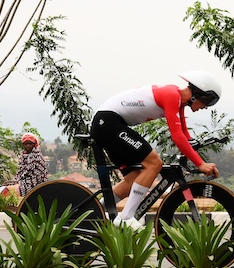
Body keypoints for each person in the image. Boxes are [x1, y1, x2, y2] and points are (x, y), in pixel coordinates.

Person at [89, 70, 221, 227]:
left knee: (134, 178)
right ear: (200, 94)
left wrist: (197, 148)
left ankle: (91, 212)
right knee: (154, 163)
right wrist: (200, 164)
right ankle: (125, 218)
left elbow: (185, 135)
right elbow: (177, 136)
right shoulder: (172, 96)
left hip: (108, 123)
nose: (206, 107)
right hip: (108, 122)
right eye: (208, 103)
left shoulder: (178, 99)